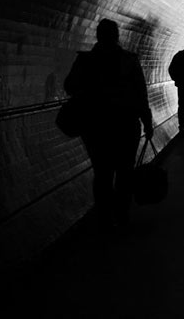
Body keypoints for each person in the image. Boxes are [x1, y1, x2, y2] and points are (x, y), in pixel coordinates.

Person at [64, 18, 153, 227]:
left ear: (97, 35)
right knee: (124, 172)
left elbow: (69, 86)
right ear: (116, 36)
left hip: (95, 126)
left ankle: (104, 217)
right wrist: (147, 122)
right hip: (126, 125)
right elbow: (141, 94)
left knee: (102, 172)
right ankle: (122, 215)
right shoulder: (129, 60)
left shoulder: (85, 61)